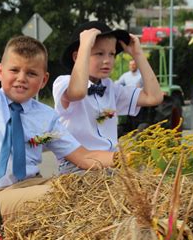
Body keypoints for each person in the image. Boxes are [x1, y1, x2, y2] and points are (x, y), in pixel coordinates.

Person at [0, 0, 115, 220]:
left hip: (30, 186)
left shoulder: (46, 116)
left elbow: (84, 157)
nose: (21, 78)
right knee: (57, 196)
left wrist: (127, 158)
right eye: (14, 70)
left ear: (43, 80)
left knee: (88, 188)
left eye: (31, 73)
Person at [52, 21, 163, 173]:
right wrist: (84, 45)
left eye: (111, 54)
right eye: (99, 53)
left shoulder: (112, 89)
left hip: (111, 162)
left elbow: (154, 97)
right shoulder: (64, 82)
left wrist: (137, 54)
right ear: (77, 56)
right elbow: (78, 92)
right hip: (76, 167)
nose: (107, 60)